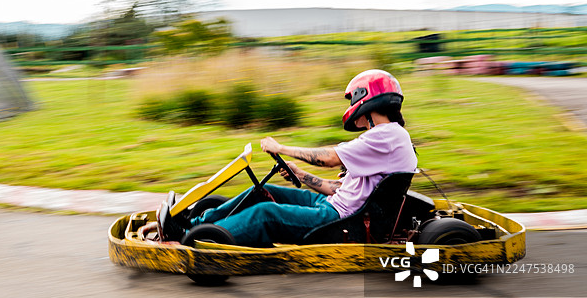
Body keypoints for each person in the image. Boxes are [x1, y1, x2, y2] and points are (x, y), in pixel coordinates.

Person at [173, 69, 418, 246]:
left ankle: (201, 240)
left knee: (266, 213)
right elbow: (340, 189)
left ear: (367, 98)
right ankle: (194, 224)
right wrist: (301, 174)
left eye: (353, 98)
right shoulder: (385, 138)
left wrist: (281, 148)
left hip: (340, 221)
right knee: (263, 191)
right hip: (334, 206)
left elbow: (330, 158)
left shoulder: (387, 135)